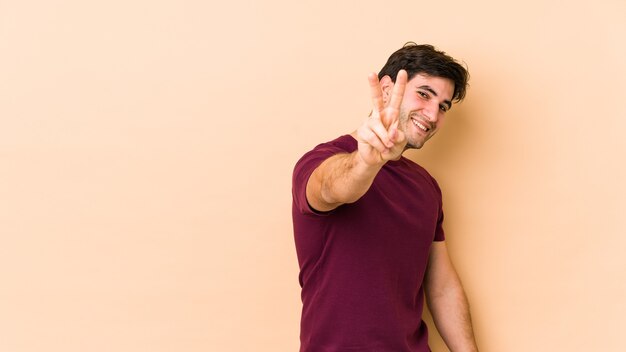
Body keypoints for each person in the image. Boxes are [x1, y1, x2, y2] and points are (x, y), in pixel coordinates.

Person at [291, 43, 479, 352]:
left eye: (443, 106)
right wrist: (368, 162)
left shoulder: (426, 187)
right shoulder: (324, 160)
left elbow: (442, 287)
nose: (433, 115)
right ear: (387, 89)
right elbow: (329, 189)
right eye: (424, 94)